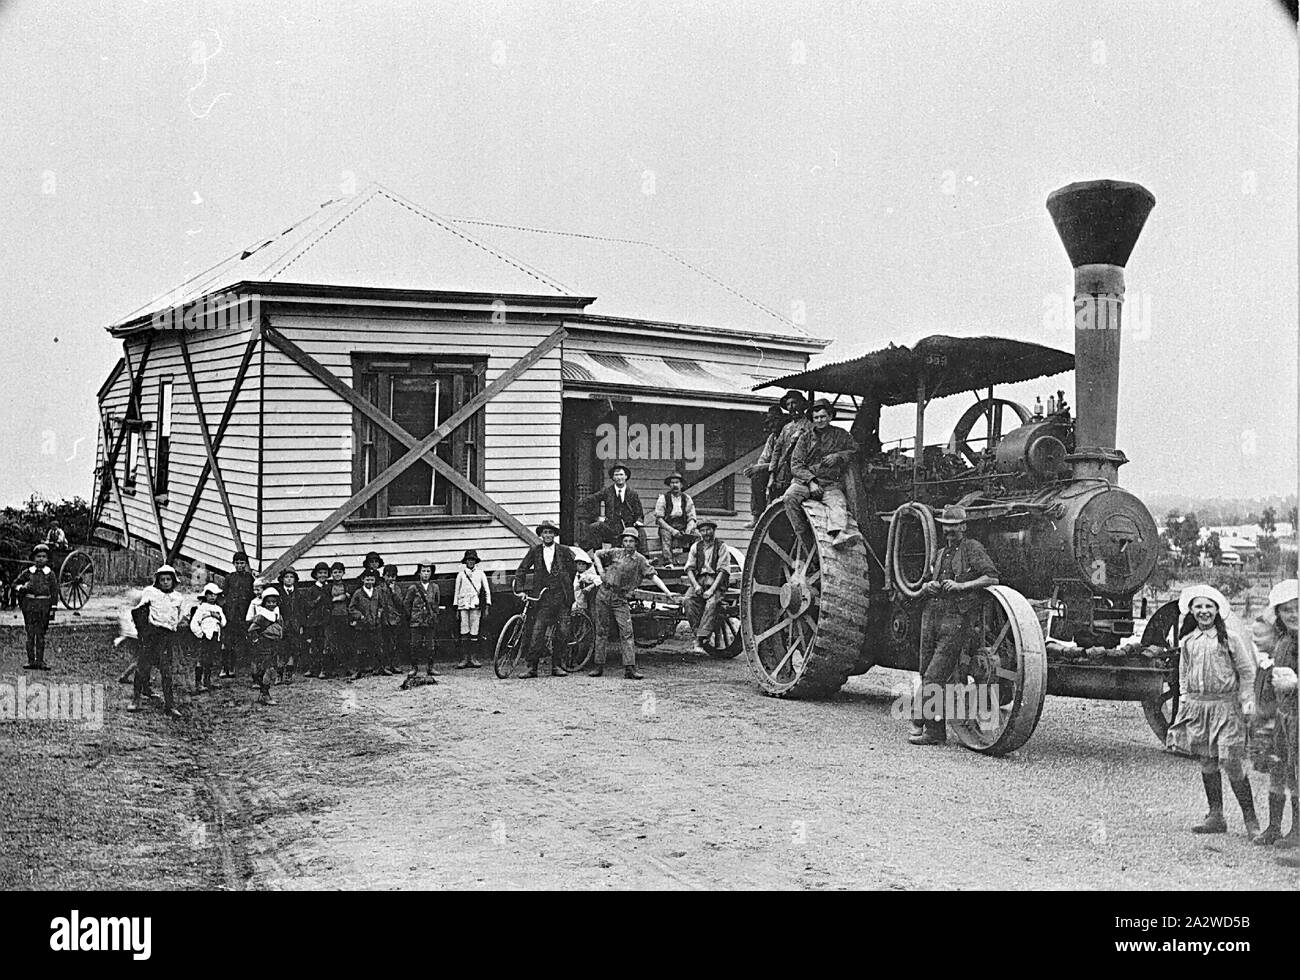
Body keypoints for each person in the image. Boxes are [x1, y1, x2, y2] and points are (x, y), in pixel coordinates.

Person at [1166, 584, 1260, 839]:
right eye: (1199, 606)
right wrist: (1184, 702)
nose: (1204, 611)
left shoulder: (1229, 638)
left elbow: (1247, 672)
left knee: (1231, 761)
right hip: (1198, 708)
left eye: (1209, 606)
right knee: (1206, 760)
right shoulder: (1188, 641)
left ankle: (1251, 820)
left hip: (1226, 707)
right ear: (1192, 610)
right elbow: (1183, 675)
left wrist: (1247, 701)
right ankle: (1216, 815)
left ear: (1217, 610)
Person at [910, 505, 999, 746]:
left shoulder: (972, 548)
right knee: (925, 671)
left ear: (963, 527)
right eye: (946, 528)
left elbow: (991, 577)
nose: (949, 533)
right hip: (933, 616)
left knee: (934, 674)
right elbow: (926, 583)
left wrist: (961, 587)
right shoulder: (939, 554)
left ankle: (923, 723)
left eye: (953, 528)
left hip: (956, 619)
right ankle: (933, 730)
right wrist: (927, 587)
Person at [589, 527, 674, 680]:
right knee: (601, 630)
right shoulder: (616, 552)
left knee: (626, 632)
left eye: (631, 541)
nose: (628, 544)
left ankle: (630, 668)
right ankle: (598, 665)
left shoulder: (640, 560)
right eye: (625, 541)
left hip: (620, 598)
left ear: (636, 543)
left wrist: (667, 592)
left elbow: (653, 576)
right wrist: (600, 571)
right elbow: (596, 554)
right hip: (603, 593)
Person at [1253, 579, 1298, 849]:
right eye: (1286, 610)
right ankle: (1273, 826)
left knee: (1296, 774)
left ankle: (1297, 832)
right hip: (1283, 715)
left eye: (1297, 608)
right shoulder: (1282, 640)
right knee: (1277, 770)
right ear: (1278, 614)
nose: (1293, 614)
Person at [783, 398, 861, 547]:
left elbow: (856, 450)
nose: (820, 420)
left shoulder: (841, 435)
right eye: (816, 417)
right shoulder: (805, 439)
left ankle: (839, 535)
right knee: (789, 497)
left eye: (823, 416)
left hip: (830, 484)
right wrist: (811, 482)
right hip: (805, 483)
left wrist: (839, 456)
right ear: (812, 419)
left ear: (830, 417)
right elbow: (796, 465)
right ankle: (804, 535)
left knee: (838, 504)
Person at [512, 520, 576, 677]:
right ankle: (531, 668)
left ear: (554, 534)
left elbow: (572, 570)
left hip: (561, 597)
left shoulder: (564, 551)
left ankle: (557, 666)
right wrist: (520, 590)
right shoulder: (535, 551)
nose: (548, 535)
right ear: (541, 535)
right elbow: (521, 570)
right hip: (543, 599)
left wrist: (565, 585)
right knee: (537, 631)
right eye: (545, 532)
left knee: (562, 632)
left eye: (550, 532)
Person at [129, 564, 185, 717]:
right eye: (162, 579)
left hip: (167, 637)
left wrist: (173, 629)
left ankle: (170, 705)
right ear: (157, 581)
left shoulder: (178, 598)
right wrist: (144, 631)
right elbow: (137, 611)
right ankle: (136, 699)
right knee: (143, 667)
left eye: (168, 579)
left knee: (166, 671)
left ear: (174, 581)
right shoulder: (150, 592)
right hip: (151, 635)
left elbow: (179, 616)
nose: (165, 582)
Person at [681, 519, 732, 655]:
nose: (706, 533)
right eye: (703, 531)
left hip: (716, 581)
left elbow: (723, 571)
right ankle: (699, 633)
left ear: (713, 531)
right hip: (700, 580)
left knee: (711, 603)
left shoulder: (721, 547)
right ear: (700, 532)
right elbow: (689, 569)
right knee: (687, 600)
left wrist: (711, 590)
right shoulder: (696, 547)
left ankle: (699, 640)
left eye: (708, 530)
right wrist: (696, 586)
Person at [576, 463, 645, 553]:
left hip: (628, 527)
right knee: (595, 526)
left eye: (621, 474)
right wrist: (590, 512)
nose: (619, 477)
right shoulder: (607, 491)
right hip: (611, 527)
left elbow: (639, 513)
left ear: (626, 476)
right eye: (616, 475)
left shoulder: (632, 494)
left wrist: (638, 521)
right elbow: (592, 499)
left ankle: (646, 557)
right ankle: (599, 554)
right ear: (613, 477)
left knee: (641, 531)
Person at [742, 405, 788, 528]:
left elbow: (785, 460)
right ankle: (757, 515)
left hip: (787, 471)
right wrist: (758, 467)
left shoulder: (788, 434)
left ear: (782, 420)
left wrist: (760, 468)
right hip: (774, 471)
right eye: (769, 422)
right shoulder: (772, 438)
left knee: (759, 471)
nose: (772, 424)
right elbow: (764, 457)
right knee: (757, 475)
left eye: (775, 420)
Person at [14, 543, 58, 671]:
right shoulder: (28, 573)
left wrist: (53, 609)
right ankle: (30, 661)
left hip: (44, 607)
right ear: (34, 558)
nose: (41, 559)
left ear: (47, 559)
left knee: (41, 635)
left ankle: (40, 661)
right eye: (38, 556)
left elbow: (54, 592)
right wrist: (21, 587)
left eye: (44, 556)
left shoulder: (50, 574)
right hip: (30, 607)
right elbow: (15, 584)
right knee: (30, 634)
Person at [767, 390, 812, 499]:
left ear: (802, 404)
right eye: (788, 404)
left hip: (799, 472)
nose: (791, 407)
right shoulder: (786, 428)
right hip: (782, 473)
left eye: (794, 403)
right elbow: (776, 452)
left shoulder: (809, 425)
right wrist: (772, 476)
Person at [247, 586, 285, 705]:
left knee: (271, 669)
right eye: (269, 602)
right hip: (264, 646)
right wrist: (257, 640)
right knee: (268, 669)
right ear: (264, 602)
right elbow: (251, 630)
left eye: (274, 602)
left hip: (274, 645)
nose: (271, 604)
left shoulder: (276, 614)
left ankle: (263, 694)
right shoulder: (262, 616)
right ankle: (265, 694)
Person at [220, 551, 255, 678]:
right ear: (233, 564)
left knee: (241, 641)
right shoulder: (229, 578)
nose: (240, 566)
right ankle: (225, 667)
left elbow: (252, 595)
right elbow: (224, 595)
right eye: (237, 563)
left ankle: (236, 666)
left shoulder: (249, 578)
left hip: (244, 613)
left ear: (246, 564)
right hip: (231, 614)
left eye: (242, 563)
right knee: (227, 641)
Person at [453, 549, 490, 668]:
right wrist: (457, 608)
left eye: (473, 559)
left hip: (476, 604)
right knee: (464, 630)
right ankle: (464, 658)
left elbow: (487, 590)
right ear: (465, 561)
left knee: (475, 630)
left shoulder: (480, 573)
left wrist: (487, 606)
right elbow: (456, 591)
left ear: (476, 561)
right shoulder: (461, 574)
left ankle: (473, 657)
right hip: (463, 605)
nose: (471, 562)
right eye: (469, 559)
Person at [652, 472, 698, 566]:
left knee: (698, 536)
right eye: (672, 483)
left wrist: (689, 528)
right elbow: (659, 519)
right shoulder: (663, 498)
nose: (675, 485)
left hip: (683, 526)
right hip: (668, 526)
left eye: (677, 482)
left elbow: (692, 517)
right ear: (669, 485)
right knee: (665, 535)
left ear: (681, 484)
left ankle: (694, 562)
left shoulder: (687, 498)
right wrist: (672, 530)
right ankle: (668, 562)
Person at [405, 561, 440, 677]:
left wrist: (433, 615)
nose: (425, 574)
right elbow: (407, 604)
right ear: (419, 573)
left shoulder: (434, 587)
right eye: (423, 571)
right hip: (416, 621)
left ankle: (430, 667)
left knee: (430, 645)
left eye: (428, 571)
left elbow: (436, 603)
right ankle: (414, 668)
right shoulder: (413, 588)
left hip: (429, 620)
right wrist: (412, 616)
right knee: (415, 645)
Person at [189, 583, 226, 693]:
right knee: (201, 659)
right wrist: (200, 634)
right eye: (209, 594)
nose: (212, 597)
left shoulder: (218, 608)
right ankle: (198, 683)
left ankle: (207, 681)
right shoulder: (202, 608)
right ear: (205, 596)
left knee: (210, 659)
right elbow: (194, 624)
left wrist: (217, 617)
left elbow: (223, 622)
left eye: (214, 594)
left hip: (214, 636)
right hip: (204, 637)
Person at [299, 562, 332, 678]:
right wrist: (317, 600)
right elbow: (307, 605)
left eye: (325, 573)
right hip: (315, 621)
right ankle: (313, 668)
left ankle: (324, 669)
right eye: (320, 573)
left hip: (326, 620)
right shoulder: (312, 589)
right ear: (316, 575)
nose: (322, 575)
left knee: (325, 644)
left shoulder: (329, 588)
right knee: (314, 645)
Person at [348, 569, 384, 679]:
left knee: (377, 646)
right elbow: (351, 608)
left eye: (372, 579)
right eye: (367, 579)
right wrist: (360, 616)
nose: (369, 581)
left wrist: (378, 614)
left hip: (374, 624)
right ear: (363, 579)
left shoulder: (377, 592)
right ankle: (359, 670)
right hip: (362, 626)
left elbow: (381, 606)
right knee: (360, 648)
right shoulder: (358, 593)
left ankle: (378, 668)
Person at [277, 568, 303, 683]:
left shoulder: (299, 593)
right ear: (282, 579)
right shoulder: (278, 593)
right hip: (282, 624)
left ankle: (289, 673)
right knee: (281, 649)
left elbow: (302, 611)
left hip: (295, 625)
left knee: (293, 649)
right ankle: (279, 674)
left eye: (291, 577)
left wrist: (301, 625)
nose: (289, 579)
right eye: (286, 577)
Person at [382, 564, 408, 676]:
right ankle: (386, 665)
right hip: (384, 619)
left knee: (395, 643)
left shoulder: (397, 589)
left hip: (395, 619)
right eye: (388, 576)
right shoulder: (379, 589)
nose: (391, 579)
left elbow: (400, 604)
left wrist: (393, 592)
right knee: (385, 643)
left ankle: (395, 665)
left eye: (393, 576)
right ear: (383, 576)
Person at [327, 561, 351, 677]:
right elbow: (327, 601)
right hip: (332, 617)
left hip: (344, 615)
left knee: (345, 641)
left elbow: (350, 600)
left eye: (339, 572)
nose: (337, 574)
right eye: (335, 572)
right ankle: (334, 668)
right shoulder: (328, 586)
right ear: (331, 574)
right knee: (333, 642)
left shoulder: (346, 586)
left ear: (343, 573)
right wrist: (337, 598)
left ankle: (345, 667)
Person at [570, 548, 601, 614]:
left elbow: (600, 579)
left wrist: (590, 586)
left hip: (586, 605)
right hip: (576, 604)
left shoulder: (588, 576)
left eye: (583, 564)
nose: (581, 566)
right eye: (579, 564)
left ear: (586, 566)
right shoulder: (574, 576)